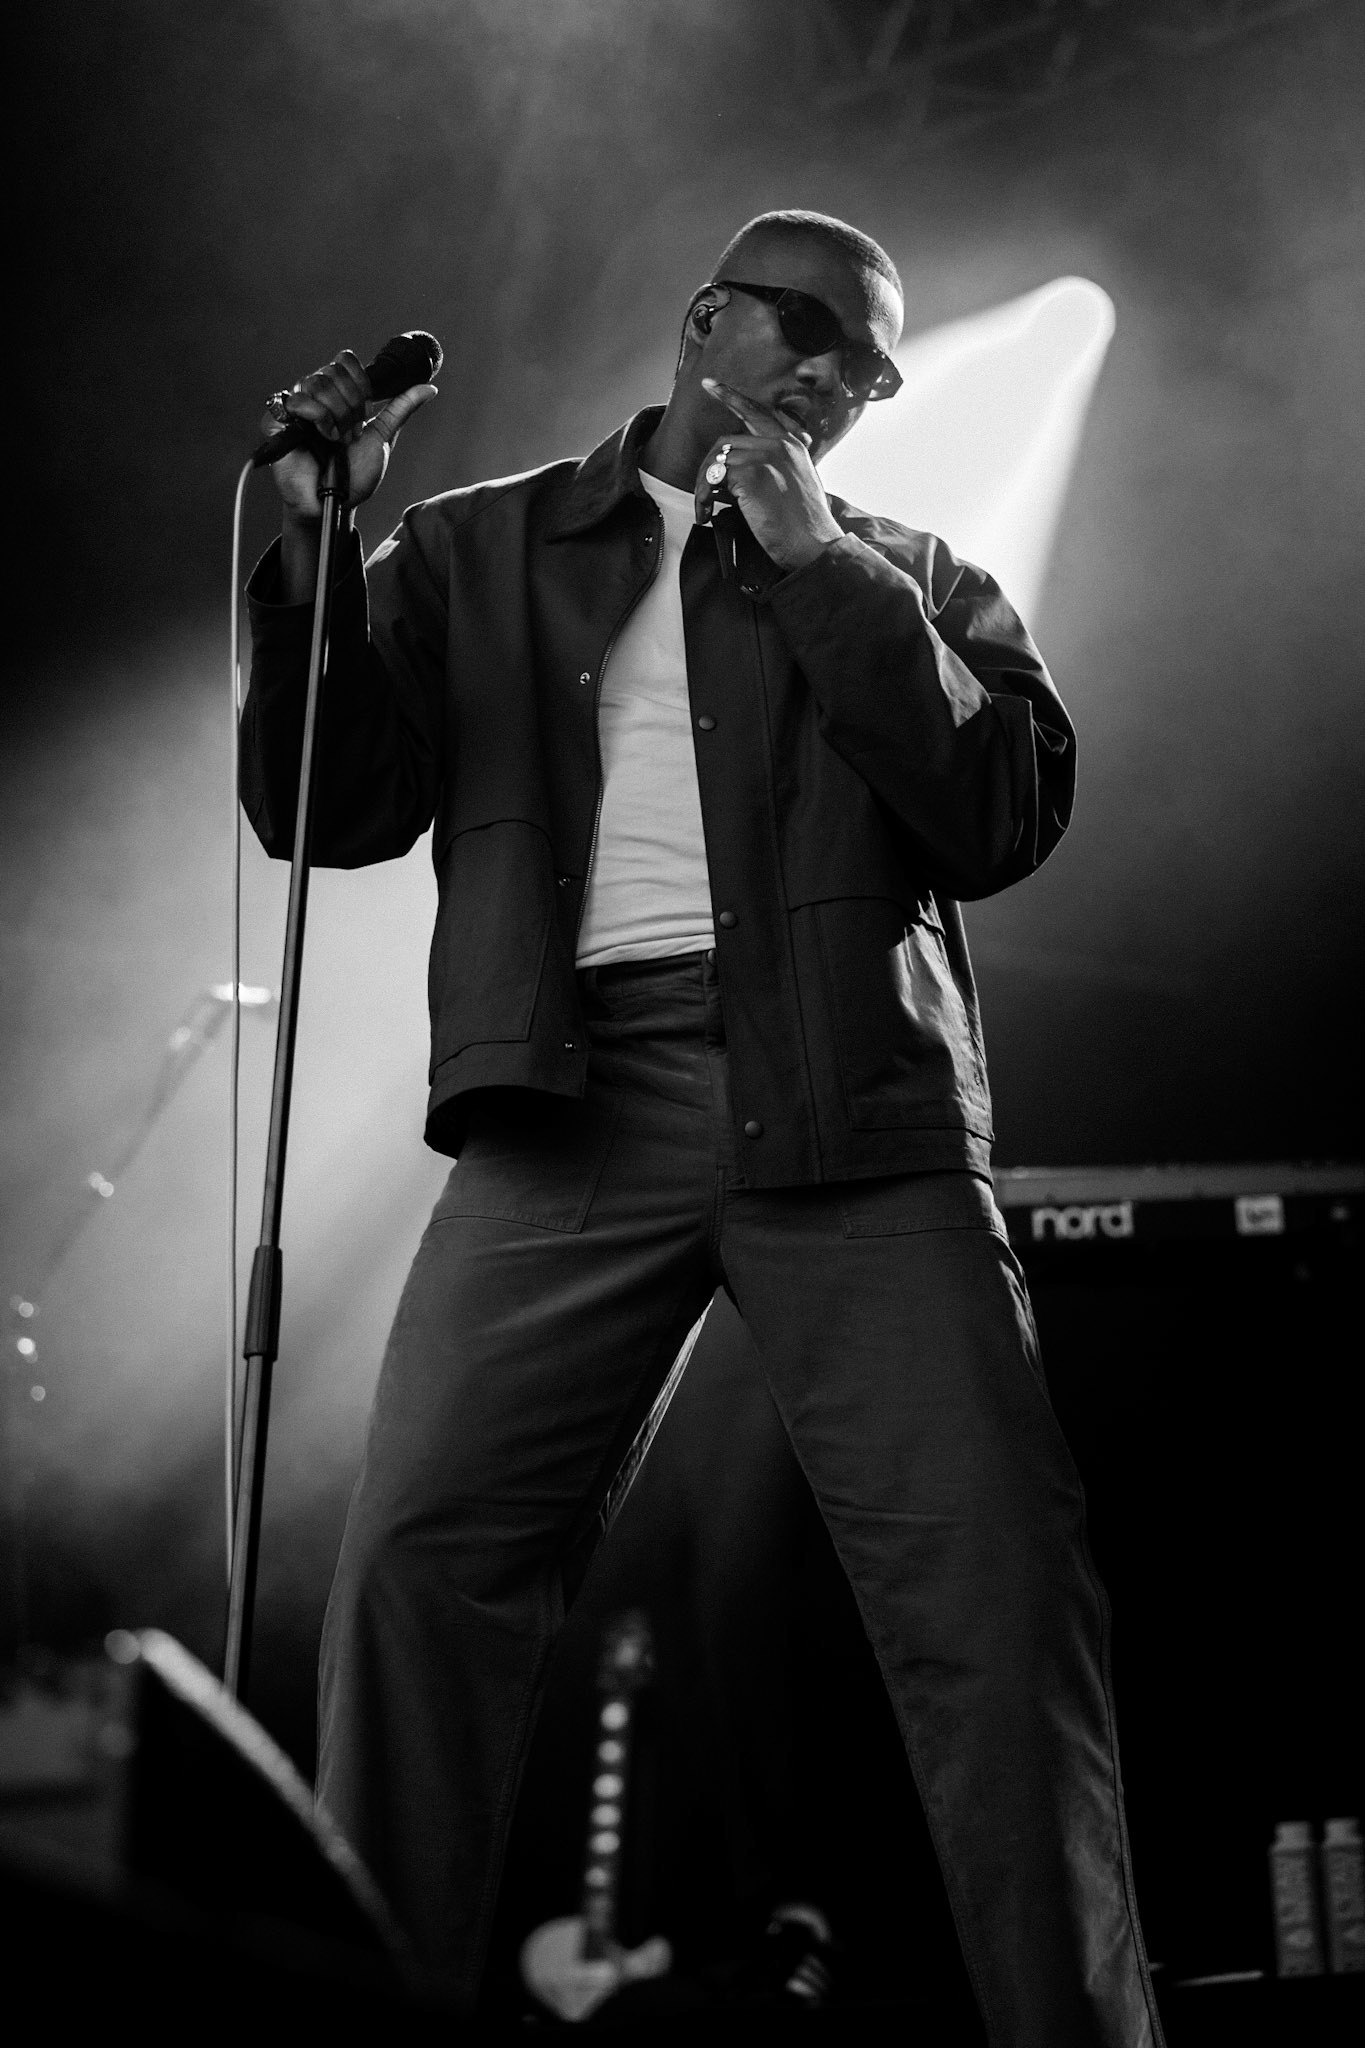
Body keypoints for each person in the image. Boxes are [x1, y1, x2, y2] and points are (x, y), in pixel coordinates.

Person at [242, 209, 1164, 2046]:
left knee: (995, 1603)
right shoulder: (483, 546)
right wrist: (311, 536)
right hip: (567, 1109)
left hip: (854, 1116)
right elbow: (321, 808)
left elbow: (997, 813)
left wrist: (825, 572)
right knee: (418, 1572)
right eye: (810, 330)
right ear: (706, 318)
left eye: (876, 365)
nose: (841, 375)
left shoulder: (914, 567)